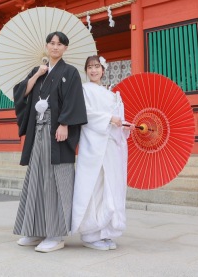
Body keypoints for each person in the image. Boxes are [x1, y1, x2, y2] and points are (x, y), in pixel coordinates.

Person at [13, 31, 87, 253]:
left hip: (57, 133)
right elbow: (21, 94)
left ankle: (55, 234)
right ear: (46, 46)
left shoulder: (70, 72)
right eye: (52, 43)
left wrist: (65, 124)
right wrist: (37, 75)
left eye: (60, 44)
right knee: (36, 177)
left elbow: (74, 100)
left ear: (65, 48)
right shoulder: (38, 71)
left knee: (57, 180)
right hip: (38, 132)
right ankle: (35, 229)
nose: (55, 47)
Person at [71, 55, 129, 251]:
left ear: (103, 70)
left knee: (109, 186)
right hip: (93, 143)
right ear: (86, 71)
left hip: (111, 145)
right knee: (94, 185)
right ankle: (90, 233)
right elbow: (84, 114)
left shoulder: (111, 93)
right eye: (90, 67)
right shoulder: (84, 90)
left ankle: (105, 231)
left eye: (97, 66)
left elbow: (119, 119)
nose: (93, 70)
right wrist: (108, 118)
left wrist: (124, 124)